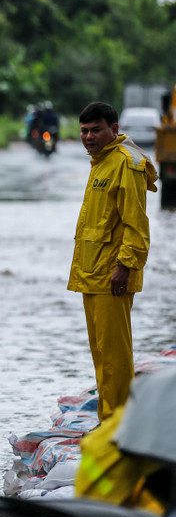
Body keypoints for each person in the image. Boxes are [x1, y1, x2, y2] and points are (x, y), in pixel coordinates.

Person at [69, 102, 158, 422]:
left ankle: (119, 427)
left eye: (96, 130)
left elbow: (136, 223)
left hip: (112, 275)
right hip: (92, 272)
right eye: (84, 131)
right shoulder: (101, 162)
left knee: (115, 357)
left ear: (114, 130)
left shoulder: (125, 163)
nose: (88, 136)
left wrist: (125, 266)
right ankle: (108, 421)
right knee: (101, 354)